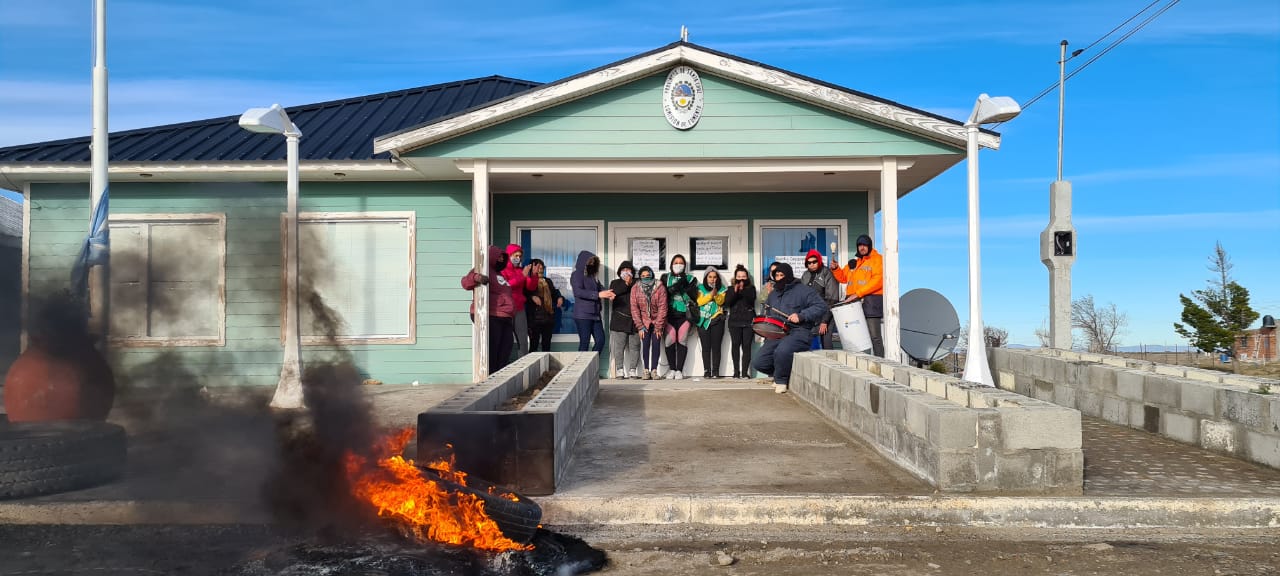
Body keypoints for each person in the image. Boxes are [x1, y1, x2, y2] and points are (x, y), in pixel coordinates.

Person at [753, 262, 830, 393]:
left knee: (782, 351)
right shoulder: (773, 294)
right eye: (776, 275)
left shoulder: (804, 290)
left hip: (799, 331)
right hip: (778, 332)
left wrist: (801, 315)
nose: (779, 278)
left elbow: (821, 306)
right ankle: (780, 374)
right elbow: (768, 314)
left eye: (781, 275)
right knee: (759, 362)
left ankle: (781, 380)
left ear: (788, 275)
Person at [461, 245, 515, 372]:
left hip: (506, 316)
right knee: (493, 349)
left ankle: (500, 377)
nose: (501, 259)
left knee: (506, 348)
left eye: (503, 257)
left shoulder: (499, 274)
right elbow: (465, 282)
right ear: (492, 256)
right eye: (499, 256)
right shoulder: (483, 269)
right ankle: (491, 376)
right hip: (492, 314)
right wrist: (477, 277)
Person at [831, 234, 884, 357]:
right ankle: (859, 364)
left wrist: (858, 294)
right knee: (855, 336)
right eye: (860, 245)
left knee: (874, 336)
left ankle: (880, 363)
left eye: (865, 245)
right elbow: (843, 278)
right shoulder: (854, 263)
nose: (862, 247)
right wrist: (836, 269)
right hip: (853, 304)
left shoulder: (877, 259)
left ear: (869, 246)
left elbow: (878, 281)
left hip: (871, 301)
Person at [660, 254, 698, 379]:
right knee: (669, 341)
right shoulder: (665, 277)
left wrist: (684, 283)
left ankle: (679, 370)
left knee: (682, 340)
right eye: (675, 262)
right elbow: (665, 291)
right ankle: (671, 369)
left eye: (681, 263)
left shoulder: (691, 279)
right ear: (671, 265)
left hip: (685, 315)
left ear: (684, 265)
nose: (678, 265)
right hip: (669, 314)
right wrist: (678, 285)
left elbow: (694, 295)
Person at [570, 250, 614, 353]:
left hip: (595, 314)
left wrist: (607, 293)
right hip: (583, 315)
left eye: (593, 262)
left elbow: (600, 287)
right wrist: (598, 294)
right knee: (584, 343)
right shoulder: (577, 274)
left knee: (600, 341)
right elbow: (578, 292)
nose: (591, 264)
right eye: (589, 262)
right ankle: (581, 367)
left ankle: (593, 362)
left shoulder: (592, 276)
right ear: (582, 262)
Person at [630, 266, 668, 380]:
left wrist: (659, 326)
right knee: (645, 345)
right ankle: (646, 370)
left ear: (652, 275)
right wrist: (640, 326)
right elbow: (634, 308)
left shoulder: (660, 287)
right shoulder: (635, 288)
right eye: (643, 276)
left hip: (657, 321)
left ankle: (654, 370)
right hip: (643, 321)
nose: (646, 278)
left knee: (656, 344)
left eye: (648, 276)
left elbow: (663, 307)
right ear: (639, 277)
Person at [800, 249, 842, 350]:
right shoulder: (805, 275)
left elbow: (833, 298)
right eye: (809, 262)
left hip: (827, 313)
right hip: (811, 314)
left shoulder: (826, 273)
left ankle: (830, 364)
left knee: (825, 342)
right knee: (807, 342)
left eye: (814, 262)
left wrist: (824, 321)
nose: (812, 264)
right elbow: (801, 296)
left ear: (819, 261)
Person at [723, 264, 757, 379]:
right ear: (735, 277)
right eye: (739, 276)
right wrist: (735, 292)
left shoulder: (751, 289)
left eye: (743, 276)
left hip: (748, 321)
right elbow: (727, 303)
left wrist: (742, 290)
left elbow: (750, 299)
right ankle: (736, 372)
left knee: (746, 346)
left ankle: (744, 372)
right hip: (734, 322)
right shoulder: (730, 289)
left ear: (747, 278)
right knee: (735, 345)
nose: (741, 279)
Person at [608, 261, 641, 379]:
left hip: (635, 321)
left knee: (635, 346)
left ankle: (633, 370)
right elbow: (614, 293)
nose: (626, 272)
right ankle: (619, 369)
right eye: (624, 270)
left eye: (629, 269)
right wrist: (626, 284)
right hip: (619, 319)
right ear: (619, 271)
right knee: (619, 347)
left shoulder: (637, 283)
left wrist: (631, 283)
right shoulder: (615, 283)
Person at [502, 244, 536, 360]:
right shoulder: (503, 270)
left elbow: (530, 287)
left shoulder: (520, 270)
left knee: (523, 340)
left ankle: (523, 366)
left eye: (520, 256)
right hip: (506, 309)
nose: (518, 258)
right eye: (516, 255)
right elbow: (507, 285)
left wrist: (534, 275)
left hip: (520, 308)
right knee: (506, 341)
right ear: (509, 255)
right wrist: (522, 275)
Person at [694, 267, 728, 379]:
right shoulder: (700, 288)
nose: (712, 279)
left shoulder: (722, 289)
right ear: (705, 278)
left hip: (717, 320)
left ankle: (716, 371)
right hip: (703, 321)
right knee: (706, 347)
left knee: (716, 347)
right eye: (710, 277)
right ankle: (707, 371)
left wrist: (716, 295)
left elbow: (721, 301)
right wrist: (710, 295)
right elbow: (699, 302)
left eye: (714, 277)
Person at [525, 258, 563, 352]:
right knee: (534, 345)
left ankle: (545, 366)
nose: (540, 269)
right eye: (538, 267)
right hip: (534, 319)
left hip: (547, 317)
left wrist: (559, 297)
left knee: (546, 345)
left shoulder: (547, 281)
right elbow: (524, 293)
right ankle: (532, 366)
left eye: (542, 267)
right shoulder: (528, 280)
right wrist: (532, 297)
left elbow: (554, 292)